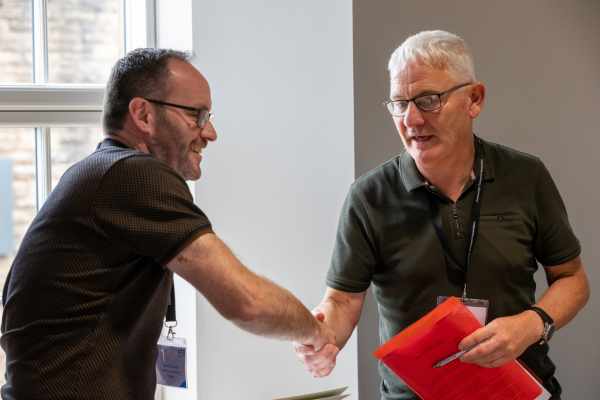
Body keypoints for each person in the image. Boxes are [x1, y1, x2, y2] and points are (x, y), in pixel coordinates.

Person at [1, 48, 335, 400]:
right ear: (143, 114)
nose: (211, 133)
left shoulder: (101, 173)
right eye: (198, 115)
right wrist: (315, 332)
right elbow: (248, 303)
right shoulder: (132, 173)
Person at [294, 30, 589, 399]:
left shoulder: (526, 177)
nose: (411, 119)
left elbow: (573, 279)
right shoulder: (369, 196)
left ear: (474, 99)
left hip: (516, 391)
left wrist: (532, 324)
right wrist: (321, 337)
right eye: (399, 103)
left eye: (429, 100)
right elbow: (341, 302)